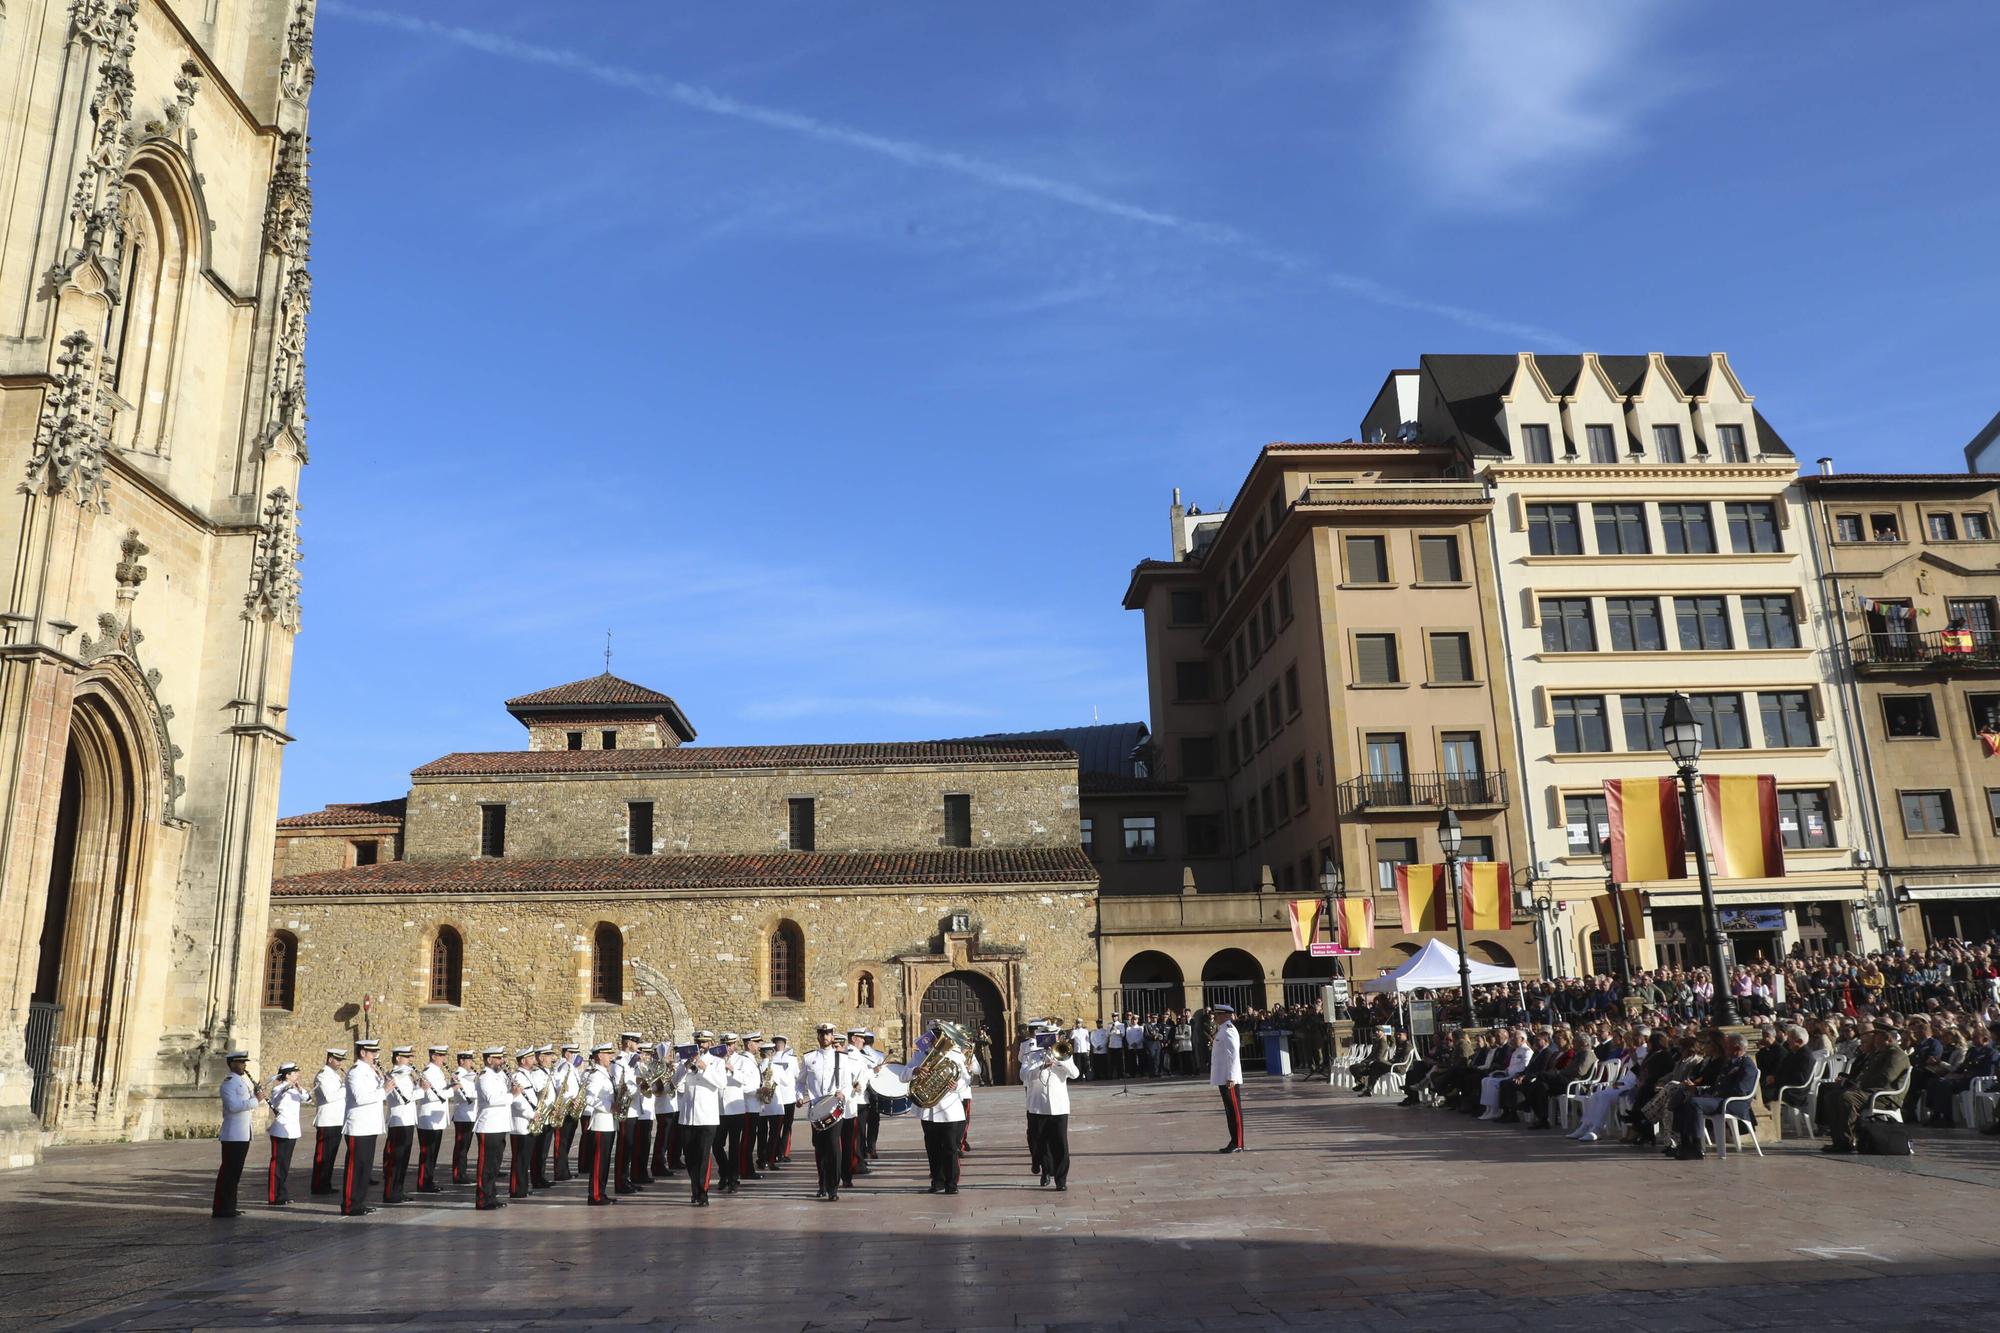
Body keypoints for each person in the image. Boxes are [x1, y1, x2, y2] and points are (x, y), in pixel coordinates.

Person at [1817, 1021, 1912, 1153]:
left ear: (1888, 1038)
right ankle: (1838, 1140)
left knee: (1847, 1098)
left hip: (1885, 1096)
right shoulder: (1881, 1053)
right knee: (1831, 1096)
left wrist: (1859, 1084)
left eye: (1877, 1036)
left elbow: (1886, 1078)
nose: (1874, 1039)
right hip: (1870, 1092)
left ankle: (1847, 1141)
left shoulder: (1896, 1054)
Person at [1667, 1033, 1757, 1161]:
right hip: (1721, 1099)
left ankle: (1697, 1148)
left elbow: (1740, 1090)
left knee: (1694, 1103)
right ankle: (1686, 1143)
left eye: (1727, 1046)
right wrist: (1698, 1089)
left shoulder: (1746, 1064)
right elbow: (1718, 1085)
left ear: (1737, 1049)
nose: (1724, 1049)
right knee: (1683, 1101)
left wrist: (1712, 1093)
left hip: (1734, 1103)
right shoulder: (1729, 1063)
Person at [917, 1024, 972, 1194]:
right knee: (932, 1149)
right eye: (934, 1034)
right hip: (929, 1111)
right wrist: (915, 1071)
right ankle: (937, 1181)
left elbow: (966, 1079)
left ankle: (952, 1183)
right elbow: (903, 1075)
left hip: (950, 1111)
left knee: (950, 1149)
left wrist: (957, 1085)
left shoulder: (955, 1056)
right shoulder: (921, 1055)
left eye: (939, 1035)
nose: (936, 1038)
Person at [1023, 1025, 1079, 1190]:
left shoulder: (1064, 1053)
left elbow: (1075, 1074)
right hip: (1037, 1106)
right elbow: (1023, 1075)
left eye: (1052, 1036)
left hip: (1059, 1106)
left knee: (1060, 1144)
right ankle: (1045, 1171)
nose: (1048, 1040)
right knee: (1040, 1143)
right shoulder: (1031, 1054)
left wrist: (1061, 1063)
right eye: (1045, 1036)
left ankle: (1061, 1180)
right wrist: (1041, 1066)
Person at [675, 1032, 727, 1206]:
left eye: (704, 1042)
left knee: (704, 1156)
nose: (701, 1045)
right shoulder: (685, 1062)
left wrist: (705, 1067)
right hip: (688, 1117)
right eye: (698, 1042)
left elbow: (722, 1083)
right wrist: (686, 1066)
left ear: (710, 1043)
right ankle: (695, 1190)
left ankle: (702, 1193)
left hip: (707, 1117)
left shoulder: (717, 1062)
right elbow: (676, 1084)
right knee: (690, 1158)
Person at [800, 1022, 847, 1201]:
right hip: (816, 1110)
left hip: (835, 1110)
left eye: (828, 1033)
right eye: (822, 1033)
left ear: (832, 1036)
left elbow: (848, 1084)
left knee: (834, 1147)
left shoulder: (842, 1058)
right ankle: (822, 1183)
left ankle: (833, 1187)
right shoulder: (809, 1058)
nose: (825, 1036)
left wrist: (844, 1093)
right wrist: (799, 1096)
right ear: (818, 1036)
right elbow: (800, 1082)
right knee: (820, 1149)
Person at [340, 1039, 385, 1217]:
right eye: (372, 1052)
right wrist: (385, 1090)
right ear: (363, 1053)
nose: (375, 1056)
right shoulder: (356, 1072)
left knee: (365, 1168)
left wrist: (383, 1082)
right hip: (358, 1127)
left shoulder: (370, 1071)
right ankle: (350, 1204)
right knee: (355, 1167)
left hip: (369, 1126)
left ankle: (359, 1202)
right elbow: (360, 1098)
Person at [212, 1051, 256, 1218]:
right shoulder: (229, 1083)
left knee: (235, 1173)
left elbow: (246, 1103)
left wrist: (254, 1095)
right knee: (228, 1173)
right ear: (232, 1064)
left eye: (244, 1062)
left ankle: (230, 1206)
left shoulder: (241, 1082)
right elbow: (234, 1107)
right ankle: (222, 1208)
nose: (244, 1065)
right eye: (240, 1062)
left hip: (242, 1134)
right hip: (233, 1134)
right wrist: (255, 1100)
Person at [472, 1046, 511, 1210]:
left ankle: (491, 1196)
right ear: (489, 1060)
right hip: (488, 1126)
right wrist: (513, 1095)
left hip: (499, 1125)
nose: (502, 1061)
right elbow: (491, 1099)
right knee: (485, 1166)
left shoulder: (498, 1076)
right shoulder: (484, 1077)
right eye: (499, 1058)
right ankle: (482, 1199)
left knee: (494, 1166)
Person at [265, 1061, 306, 1207]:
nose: (297, 1075)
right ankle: (274, 1195)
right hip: (280, 1131)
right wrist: (284, 1091)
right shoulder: (278, 1089)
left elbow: (307, 1098)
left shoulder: (295, 1089)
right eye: (294, 1073)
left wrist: (299, 1089)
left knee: (285, 1165)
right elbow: (275, 1103)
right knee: (278, 1164)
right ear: (287, 1075)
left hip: (292, 1130)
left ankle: (282, 1193)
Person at [583, 1043, 619, 1205]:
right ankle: (595, 1195)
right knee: (598, 1162)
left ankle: (601, 1192)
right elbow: (589, 1098)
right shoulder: (596, 1075)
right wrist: (609, 1106)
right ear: (599, 1056)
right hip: (600, 1123)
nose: (610, 1057)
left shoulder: (605, 1073)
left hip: (609, 1123)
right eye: (607, 1054)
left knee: (604, 1162)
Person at [381, 1046, 418, 1204]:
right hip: (398, 1121)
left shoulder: (406, 1075)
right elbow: (404, 1098)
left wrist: (417, 1084)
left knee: (403, 1160)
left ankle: (398, 1191)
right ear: (398, 1058)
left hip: (407, 1121)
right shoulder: (395, 1075)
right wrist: (422, 1089)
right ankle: (390, 1193)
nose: (410, 1059)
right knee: (395, 1161)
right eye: (407, 1056)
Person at [413, 1045, 451, 1194]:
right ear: (434, 1056)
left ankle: (429, 1180)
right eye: (441, 1056)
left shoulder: (438, 1071)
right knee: (427, 1154)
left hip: (436, 1119)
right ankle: (423, 1183)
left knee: (433, 1154)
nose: (444, 1059)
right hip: (428, 1120)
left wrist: (450, 1086)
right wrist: (451, 1090)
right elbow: (431, 1095)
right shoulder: (428, 1072)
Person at [309, 1048, 346, 1195]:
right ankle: (318, 1185)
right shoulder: (323, 1075)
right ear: (330, 1059)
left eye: (341, 1060)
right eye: (337, 1060)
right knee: (322, 1156)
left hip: (336, 1120)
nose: (340, 1063)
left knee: (330, 1157)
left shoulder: (334, 1075)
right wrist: (346, 1087)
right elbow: (329, 1096)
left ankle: (325, 1184)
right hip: (327, 1120)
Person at [1210, 1004, 1244, 1152]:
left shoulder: (1229, 1030)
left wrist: (1231, 1077)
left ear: (1225, 1015)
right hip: (1223, 1076)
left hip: (1229, 1078)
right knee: (1229, 1110)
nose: (1214, 1017)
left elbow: (1233, 1054)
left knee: (1234, 1110)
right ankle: (1234, 1141)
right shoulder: (1223, 1030)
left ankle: (1238, 1143)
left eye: (1217, 1015)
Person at [551, 1043, 582, 1181]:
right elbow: (560, 1087)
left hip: (572, 1107)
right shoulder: (562, 1066)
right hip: (564, 1108)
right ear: (567, 1053)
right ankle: (560, 1171)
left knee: (567, 1140)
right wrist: (570, 1100)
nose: (576, 1055)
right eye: (574, 1052)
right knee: (561, 1141)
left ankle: (565, 1170)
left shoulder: (571, 1067)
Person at [449, 1050, 478, 1185]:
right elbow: (462, 1095)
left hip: (470, 1115)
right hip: (463, 1116)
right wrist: (477, 1093)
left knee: (465, 1147)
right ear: (461, 1061)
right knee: (461, 1148)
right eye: (469, 1060)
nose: (471, 1063)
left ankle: (462, 1173)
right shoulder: (458, 1075)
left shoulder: (469, 1075)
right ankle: (458, 1175)